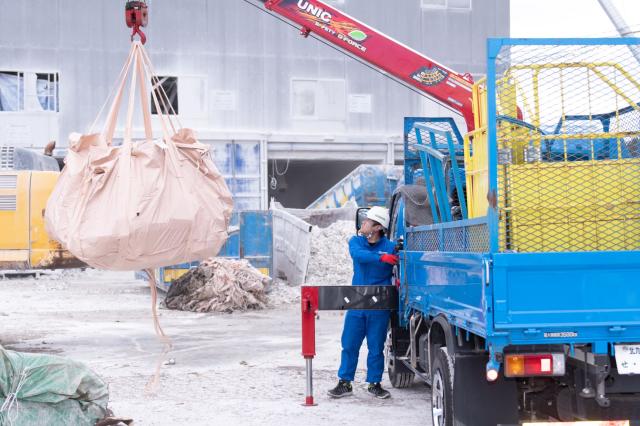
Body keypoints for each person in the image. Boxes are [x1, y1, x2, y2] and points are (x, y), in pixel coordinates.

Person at [327, 206, 398, 400]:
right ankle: (345, 382)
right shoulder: (356, 241)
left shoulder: (391, 246)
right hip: (357, 301)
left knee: (376, 346)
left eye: (367, 221)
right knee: (349, 344)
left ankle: (374, 383)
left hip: (379, 303)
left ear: (377, 227)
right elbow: (359, 256)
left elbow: (399, 264)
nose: (363, 223)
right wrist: (381, 257)